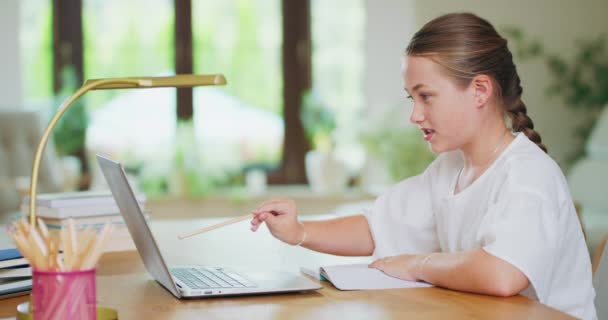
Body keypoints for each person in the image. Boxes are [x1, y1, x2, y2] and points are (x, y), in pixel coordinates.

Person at [249, 12, 596, 319]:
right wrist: (300, 232)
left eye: (426, 96)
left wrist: (417, 264)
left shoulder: (528, 174)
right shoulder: (449, 170)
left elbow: (503, 273)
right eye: (411, 98)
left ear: (479, 90)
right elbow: (378, 227)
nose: (415, 115)